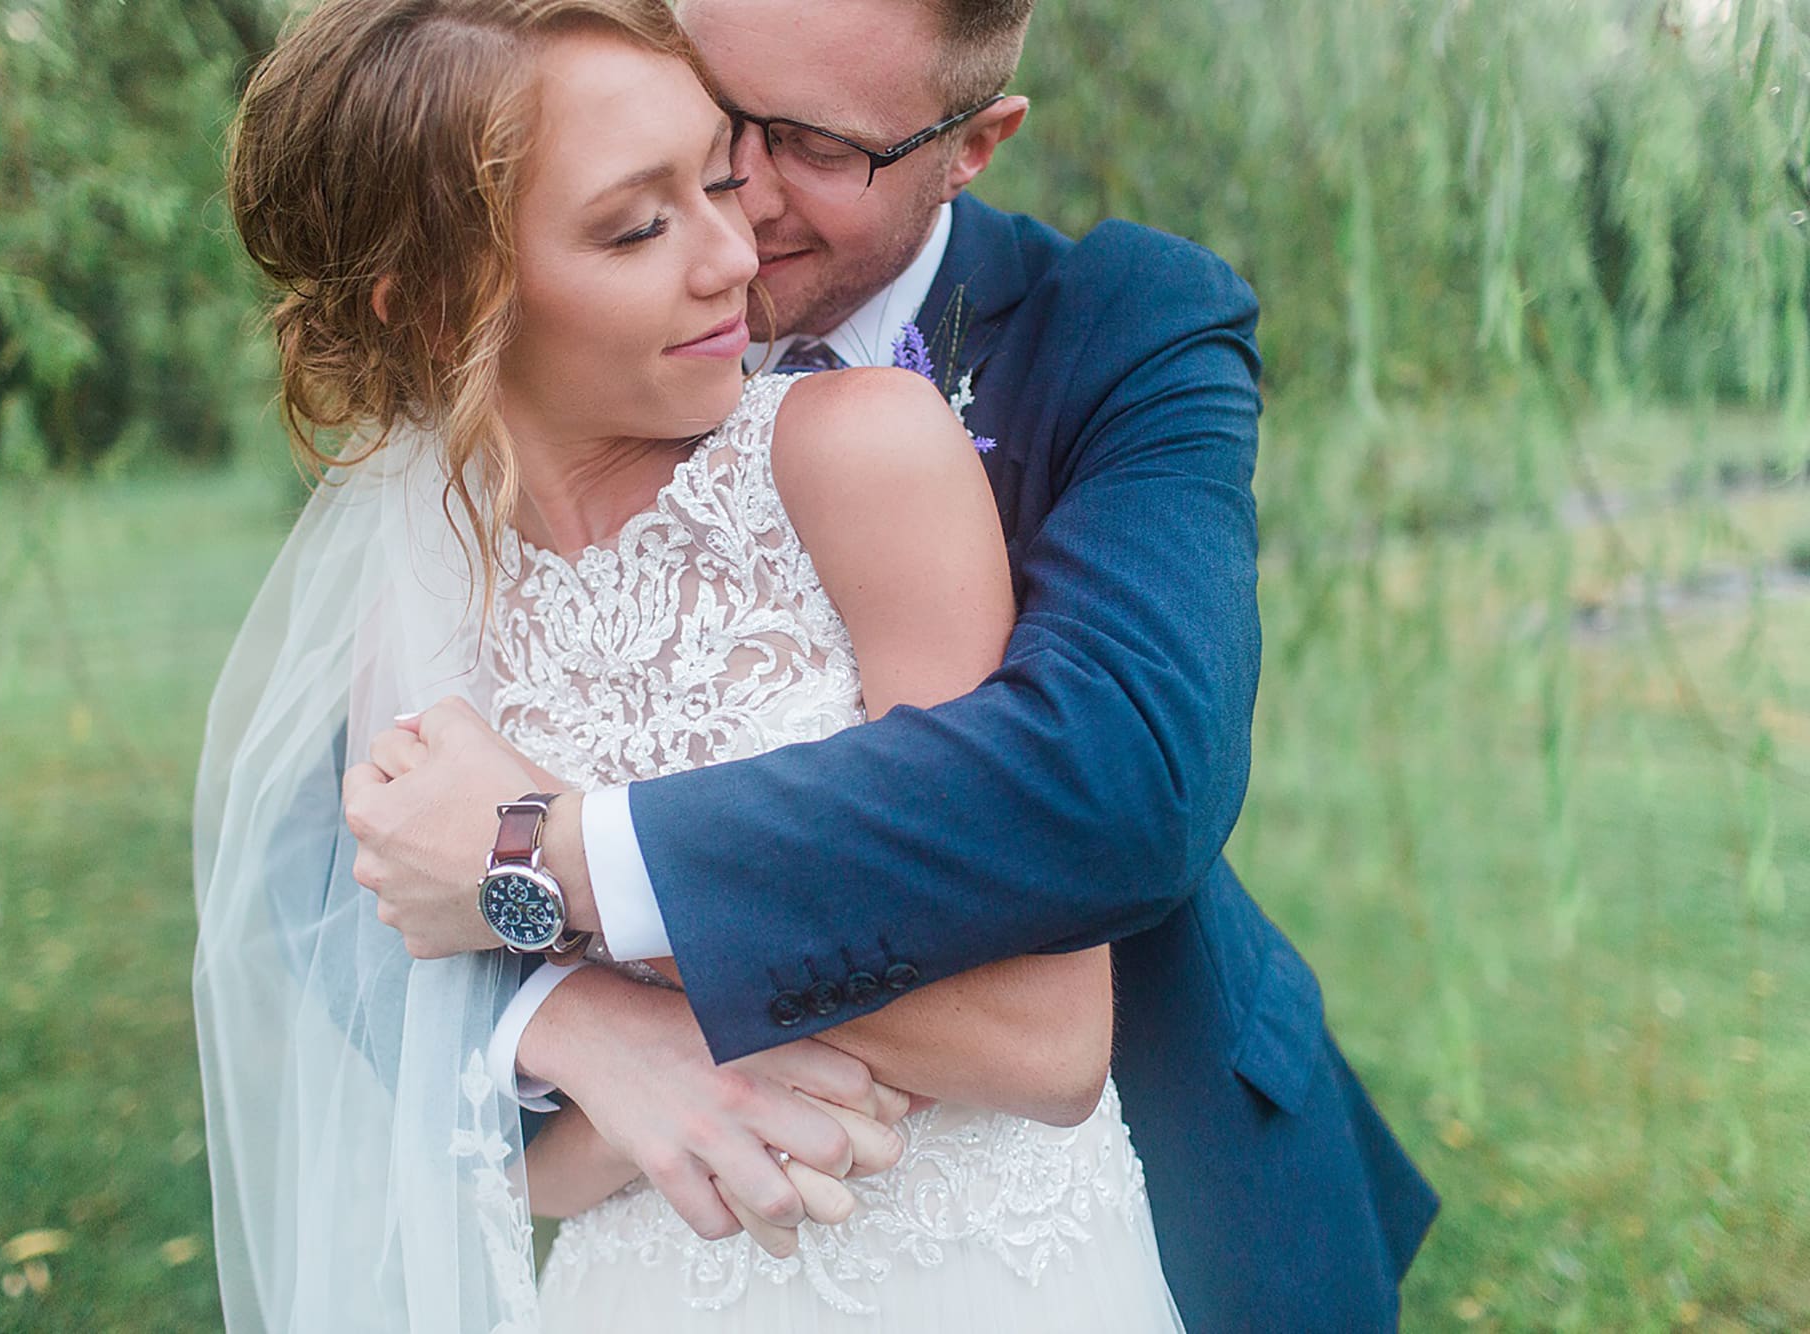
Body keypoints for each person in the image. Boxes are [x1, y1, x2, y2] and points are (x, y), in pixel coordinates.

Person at [347, 0, 1442, 1330]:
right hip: (671, 1227)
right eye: (714, 119)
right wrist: (566, 1027)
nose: (741, 201)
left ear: (974, 143)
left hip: (1135, 1168)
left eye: (813, 145)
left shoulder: (1125, 324)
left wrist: (550, 866)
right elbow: (347, 859)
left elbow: (1124, 777)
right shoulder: (487, 435)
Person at [200, 0, 1185, 1329]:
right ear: (434, 306)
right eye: (637, 227)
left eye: (718, 180)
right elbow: (529, 1172)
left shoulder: (860, 455)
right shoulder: (417, 589)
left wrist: (536, 882)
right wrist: (600, 1042)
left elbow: (1042, 1042)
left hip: (981, 1278)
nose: (736, 256)